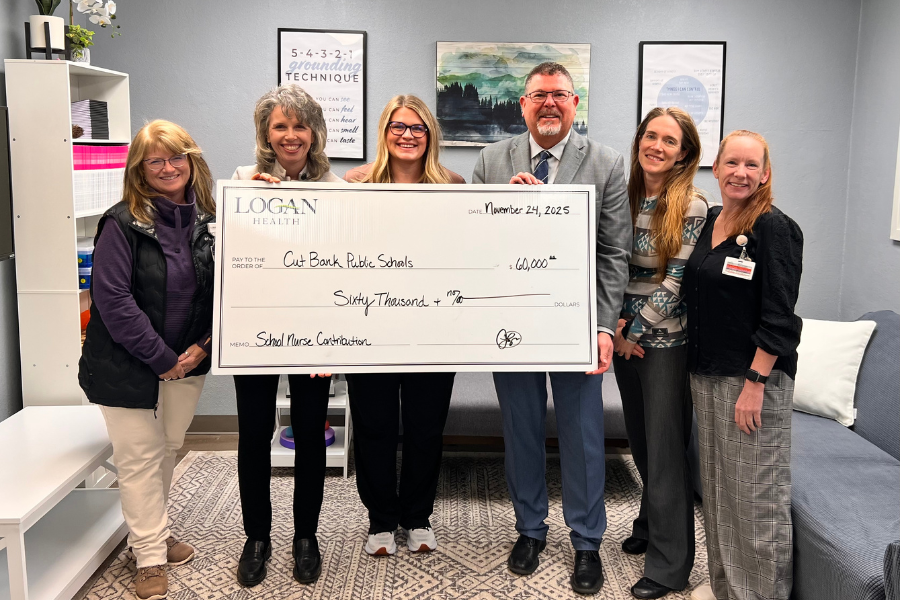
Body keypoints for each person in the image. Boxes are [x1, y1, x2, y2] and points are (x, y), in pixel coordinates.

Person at [472, 62, 632, 595]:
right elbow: (473, 243)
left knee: (583, 434)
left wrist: (604, 327)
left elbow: (613, 253)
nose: (549, 103)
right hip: (512, 321)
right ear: (522, 104)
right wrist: (505, 208)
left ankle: (587, 541)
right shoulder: (492, 160)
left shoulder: (606, 162)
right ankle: (530, 529)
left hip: (575, 323)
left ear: (574, 103)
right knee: (520, 428)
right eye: (538, 95)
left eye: (559, 95)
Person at [78, 119, 216, 600]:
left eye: (176, 156)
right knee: (138, 458)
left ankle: (153, 529)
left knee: (168, 446)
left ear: (191, 160)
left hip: (189, 359)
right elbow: (113, 300)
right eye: (154, 160)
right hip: (127, 361)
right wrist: (161, 358)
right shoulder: (119, 223)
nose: (167, 167)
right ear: (139, 168)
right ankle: (149, 555)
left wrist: (203, 346)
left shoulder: (209, 221)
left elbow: (227, 292)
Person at [343, 94, 465, 556]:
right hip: (370, 325)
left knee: (425, 428)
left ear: (430, 135)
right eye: (398, 126)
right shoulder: (355, 183)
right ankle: (380, 520)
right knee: (373, 427)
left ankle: (417, 517)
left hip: (433, 329)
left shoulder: (453, 185)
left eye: (417, 127)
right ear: (385, 132)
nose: (408, 135)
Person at [683, 130, 803, 600]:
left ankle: (760, 594)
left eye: (752, 165)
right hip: (707, 373)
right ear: (715, 168)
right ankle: (726, 587)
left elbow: (780, 315)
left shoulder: (774, 228)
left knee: (755, 498)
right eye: (732, 163)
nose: (740, 173)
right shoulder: (713, 219)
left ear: (766, 174)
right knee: (718, 489)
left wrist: (755, 382)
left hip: (752, 379)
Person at [231, 84, 342, 587]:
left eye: (300, 126)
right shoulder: (243, 182)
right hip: (255, 330)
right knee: (254, 433)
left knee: (311, 435)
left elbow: (345, 265)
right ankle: (257, 537)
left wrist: (334, 340)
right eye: (280, 126)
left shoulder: (336, 189)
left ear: (314, 132)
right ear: (265, 133)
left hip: (312, 331)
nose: (290, 135)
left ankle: (306, 536)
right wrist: (254, 203)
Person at [612, 107, 706, 599]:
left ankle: (670, 567)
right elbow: (608, 264)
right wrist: (612, 327)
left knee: (666, 449)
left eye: (670, 141)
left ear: (684, 153)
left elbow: (677, 280)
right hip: (620, 335)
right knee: (642, 441)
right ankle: (650, 523)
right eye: (651, 136)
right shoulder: (623, 194)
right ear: (639, 141)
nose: (657, 146)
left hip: (664, 341)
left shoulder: (692, 204)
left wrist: (635, 329)